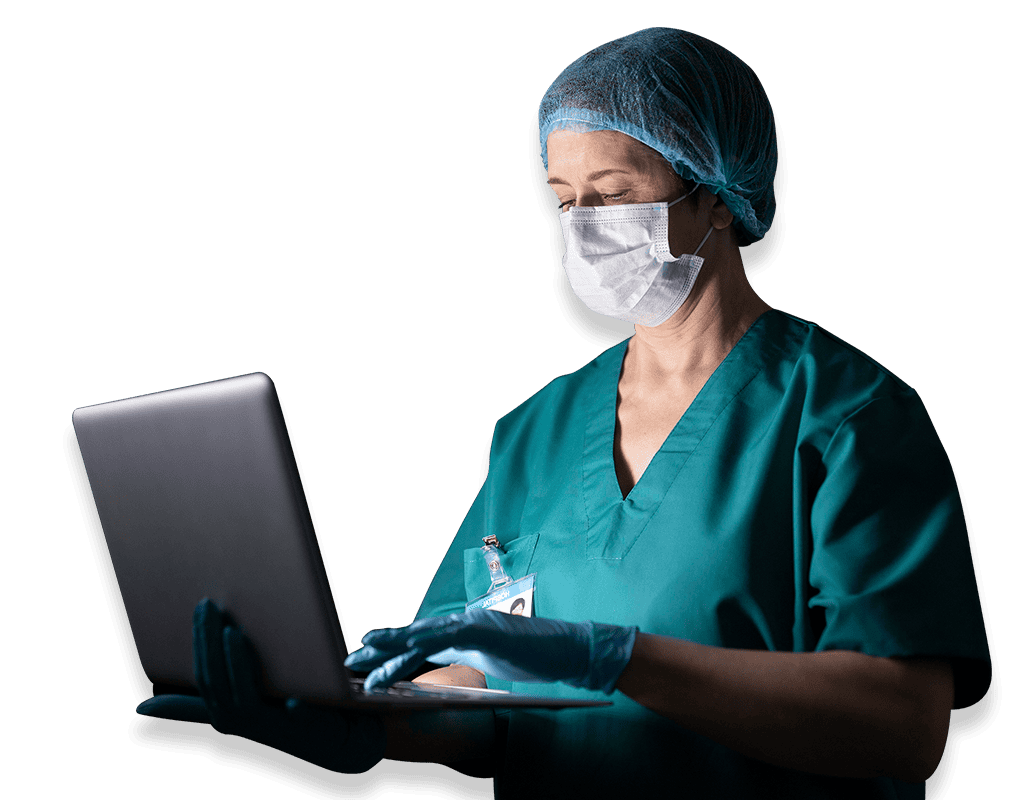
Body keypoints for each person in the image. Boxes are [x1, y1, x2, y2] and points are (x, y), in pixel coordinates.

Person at [139, 28, 992, 799]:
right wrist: (353, 728)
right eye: (563, 198)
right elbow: (471, 688)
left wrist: (612, 657)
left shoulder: (844, 417)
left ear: (719, 195)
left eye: (614, 193)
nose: (582, 229)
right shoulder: (534, 433)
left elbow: (904, 725)